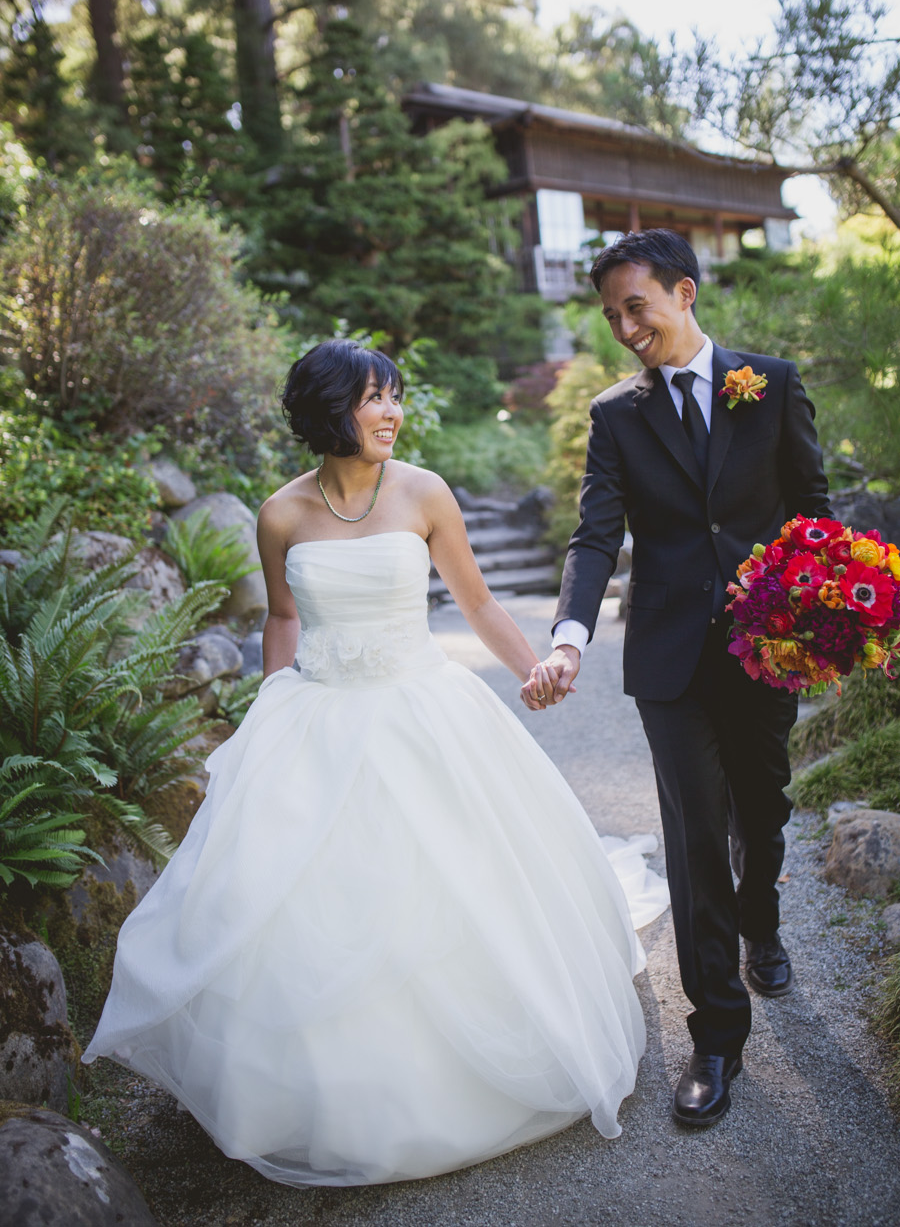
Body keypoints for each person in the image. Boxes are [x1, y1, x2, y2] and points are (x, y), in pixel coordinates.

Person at [83, 338, 667, 1187]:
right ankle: (335, 1087)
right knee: (313, 899)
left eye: (395, 396)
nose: (392, 412)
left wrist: (535, 667)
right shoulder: (280, 512)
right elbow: (283, 618)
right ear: (329, 413)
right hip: (318, 713)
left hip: (421, 707)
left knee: (450, 881)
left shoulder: (425, 492)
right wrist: (270, 709)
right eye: (372, 399)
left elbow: (475, 598)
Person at [523, 229, 831, 1129]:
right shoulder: (617, 414)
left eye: (637, 306)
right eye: (612, 313)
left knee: (762, 810)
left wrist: (829, 624)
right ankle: (717, 1037)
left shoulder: (769, 386)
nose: (624, 327)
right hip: (667, 657)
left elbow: (813, 517)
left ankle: (762, 924)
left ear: (684, 293)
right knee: (695, 832)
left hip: (767, 646)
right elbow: (594, 537)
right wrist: (572, 635)